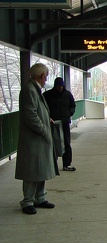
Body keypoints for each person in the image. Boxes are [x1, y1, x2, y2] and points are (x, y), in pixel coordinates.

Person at [15, 63, 58, 215]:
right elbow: (30, 115)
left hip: (39, 138)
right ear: (41, 76)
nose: (46, 79)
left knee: (41, 170)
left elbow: (37, 112)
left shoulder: (34, 88)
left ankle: (40, 198)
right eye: (46, 76)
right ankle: (27, 201)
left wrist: (48, 120)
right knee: (32, 171)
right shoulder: (29, 90)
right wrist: (44, 130)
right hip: (34, 138)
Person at [43, 77, 76, 171]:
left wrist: (69, 113)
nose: (60, 88)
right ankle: (53, 164)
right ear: (55, 86)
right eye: (58, 86)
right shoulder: (48, 95)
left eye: (61, 86)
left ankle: (67, 164)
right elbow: (43, 106)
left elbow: (72, 105)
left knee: (66, 143)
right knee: (52, 143)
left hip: (65, 122)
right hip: (53, 122)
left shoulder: (68, 94)